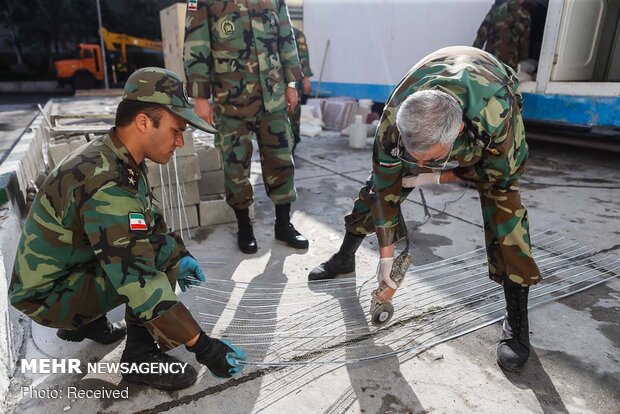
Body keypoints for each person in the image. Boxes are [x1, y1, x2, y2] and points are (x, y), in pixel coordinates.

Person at [9, 67, 247, 390]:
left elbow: (148, 217)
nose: (179, 141)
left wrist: (180, 254)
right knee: (151, 259)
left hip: (56, 276)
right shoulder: (107, 183)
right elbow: (140, 280)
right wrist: (203, 347)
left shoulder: (116, 156)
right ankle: (139, 357)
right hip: (47, 297)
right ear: (144, 122)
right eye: (176, 130)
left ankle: (87, 323)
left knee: (158, 249)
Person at [308, 46, 541, 373]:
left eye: (428, 155)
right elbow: (385, 187)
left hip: (489, 84)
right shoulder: (394, 118)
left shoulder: (496, 113)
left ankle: (516, 320)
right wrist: (386, 258)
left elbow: (501, 173)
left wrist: (438, 175)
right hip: (440, 84)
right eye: (411, 152)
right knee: (376, 188)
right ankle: (344, 256)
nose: (416, 163)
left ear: (457, 133)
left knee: (506, 212)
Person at [184, 0, 308, 254]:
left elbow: (286, 36)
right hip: (230, 100)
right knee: (235, 166)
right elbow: (196, 43)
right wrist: (199, 97)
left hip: (272, 96)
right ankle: (244, 227)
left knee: (281, 161)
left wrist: (292, 83)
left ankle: (283, 225)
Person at [473, 0, 531, 71]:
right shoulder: (525, 16)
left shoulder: (496, 9)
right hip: (510, 61)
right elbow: (524, 42)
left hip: (491, 57)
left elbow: (482, 32)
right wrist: (521, 59)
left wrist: (474, 53)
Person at [289, 26, 314, 155]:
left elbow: (303, 58)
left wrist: (306, 80)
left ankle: (293, 141)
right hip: (274, 84)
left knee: (293, 113)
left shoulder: (296, 33)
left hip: (294, 83)